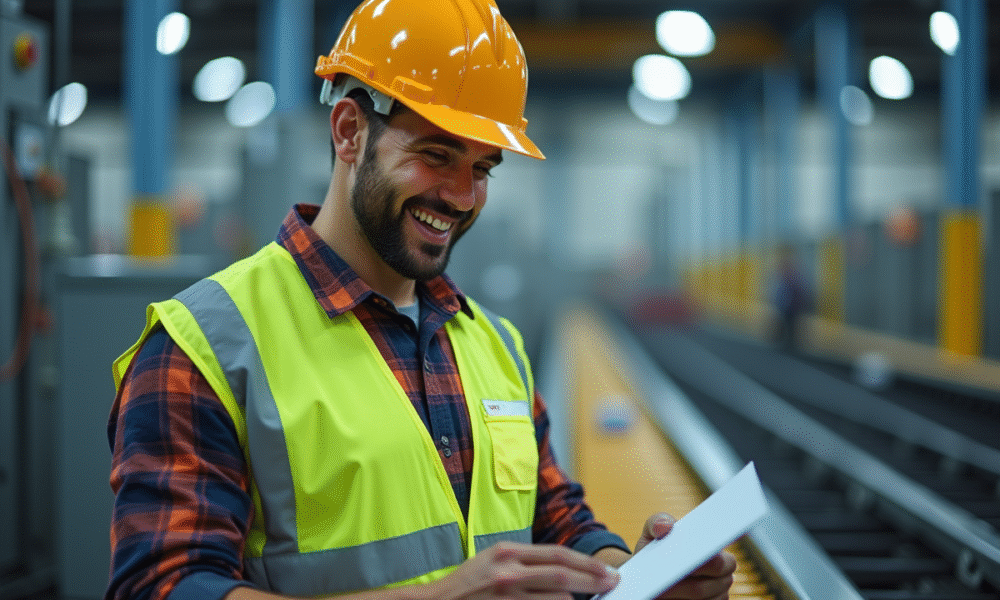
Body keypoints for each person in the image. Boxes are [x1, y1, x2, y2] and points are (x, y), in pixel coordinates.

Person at [105, 1, 737, 599]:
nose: (461, 197)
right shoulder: (207, 348)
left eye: (482, 169)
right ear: (350, 131)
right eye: (436, 155)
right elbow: (163, 585)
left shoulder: (493, 343)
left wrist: (630, 574)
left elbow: (555, 515)